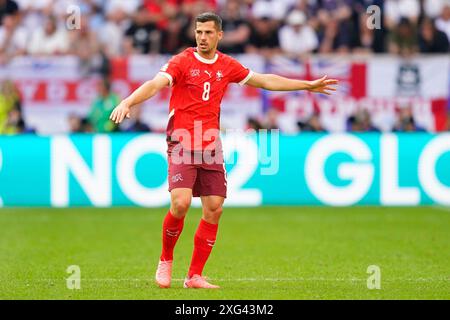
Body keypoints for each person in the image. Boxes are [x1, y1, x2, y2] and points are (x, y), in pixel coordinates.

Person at [109, 12, 338, 289]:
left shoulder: (227, 65)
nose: (202, 38)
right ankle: (166, 259)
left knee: (214, 208)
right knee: (180, 204)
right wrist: (128, 102)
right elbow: (156, 84)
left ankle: (194, 276)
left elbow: (265, 80)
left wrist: (307, 85)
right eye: (198, 32)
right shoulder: (182, 61)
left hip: (210, 144)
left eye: (208, 33)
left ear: (219, 35)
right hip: (182, 140)